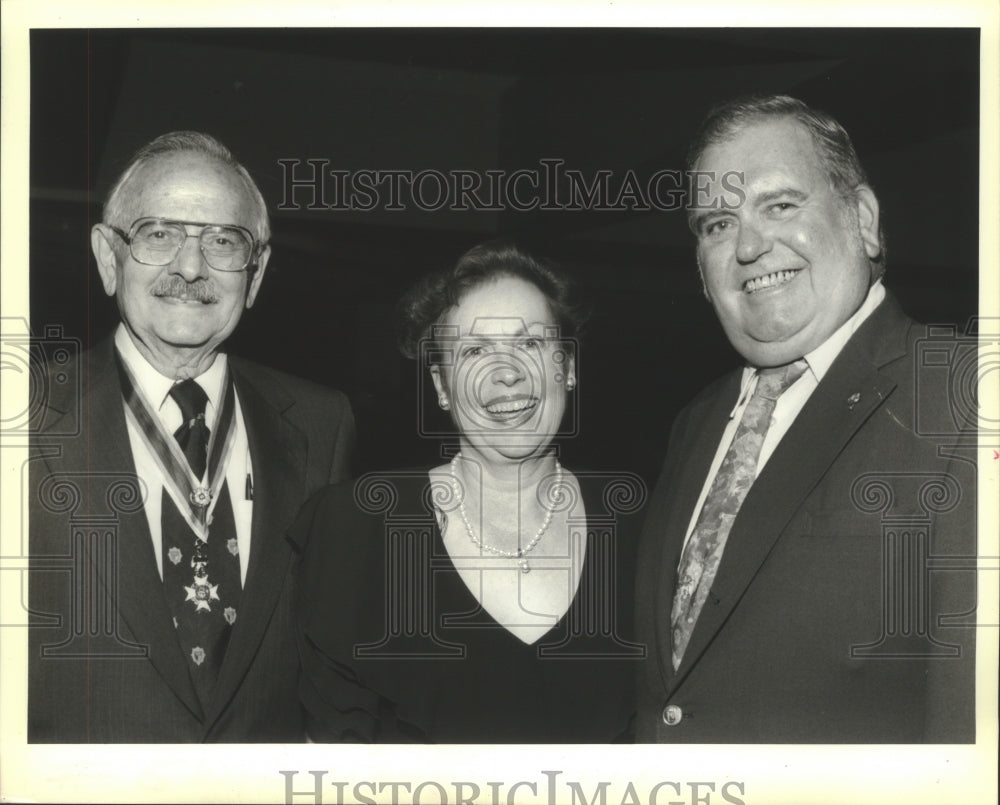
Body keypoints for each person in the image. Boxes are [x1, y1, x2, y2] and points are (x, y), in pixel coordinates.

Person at [635, 95, 977, 743]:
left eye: (781, 205)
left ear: (865, 219)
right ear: (700, 273)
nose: (749, 246)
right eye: (716, 224)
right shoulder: (696, 423)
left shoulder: (962, 397)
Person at [28, 131, 355, 742]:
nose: (190, 267)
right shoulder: (22, 416)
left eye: (223, 241)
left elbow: (331, 668)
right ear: (107, 256)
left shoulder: (320, 424)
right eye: (159, 233)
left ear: (254, 276)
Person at [291, 242, 645, 742]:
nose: (506, 373)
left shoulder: (644, 526)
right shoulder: (354, 529)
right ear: (441, 384)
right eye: (474, 351)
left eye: (530, 344)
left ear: (568, 367)